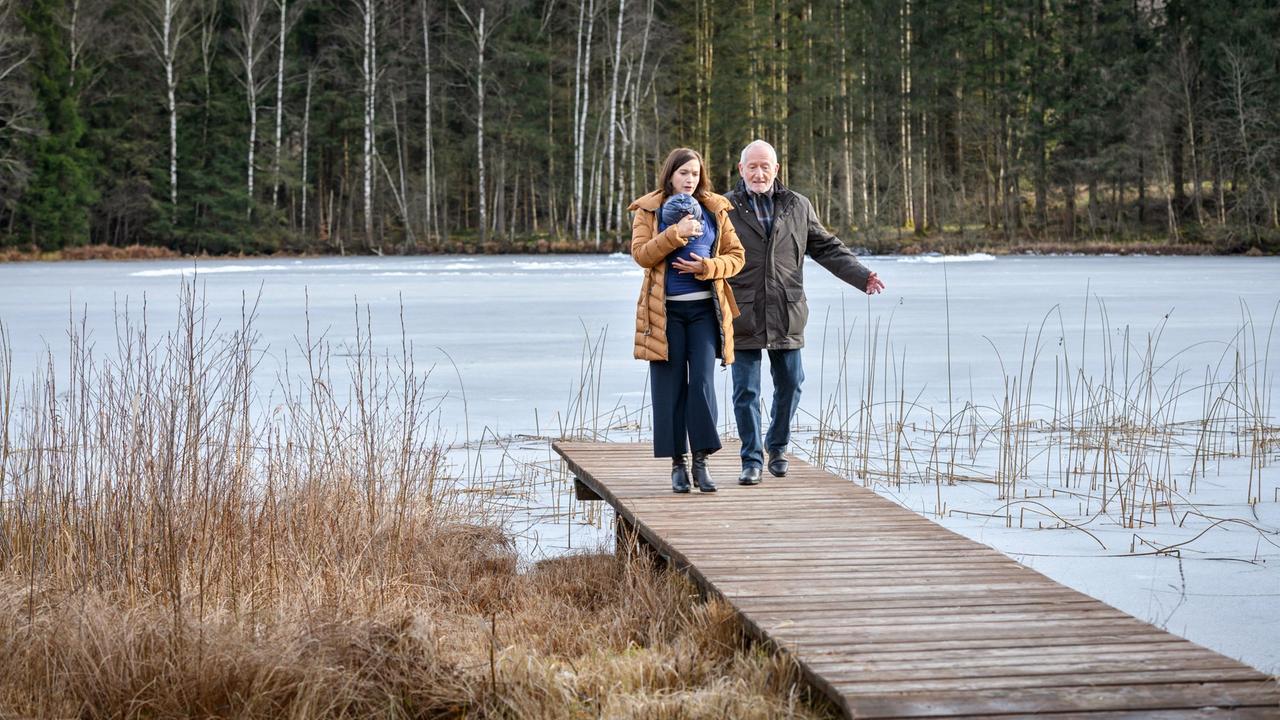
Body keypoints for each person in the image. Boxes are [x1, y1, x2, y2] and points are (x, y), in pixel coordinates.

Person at [725, 140, 885, 485]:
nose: (758, 172)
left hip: (786, 310)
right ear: (741, 170)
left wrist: (861, 275)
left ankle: (777, 446)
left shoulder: (797, 205)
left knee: (792, 384)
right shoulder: (725, 207)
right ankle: (751, 460)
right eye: (751, 166)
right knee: (746, 392)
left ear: (777, 169)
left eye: (765, 166)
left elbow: (826, 247)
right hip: (742, 311)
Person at [629, 147, 745, 494]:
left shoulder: (715, 209)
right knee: (670, 388)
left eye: (695, 173)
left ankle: (701, 461)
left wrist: (707, 268)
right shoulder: (649, 210)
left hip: (703, 312)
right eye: (683, 173)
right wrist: (675, 233)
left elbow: (737, 258)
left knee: (703, 386)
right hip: (664, 313)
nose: (689, 179)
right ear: (670, 175)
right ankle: (677, 464)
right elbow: (642, 255)